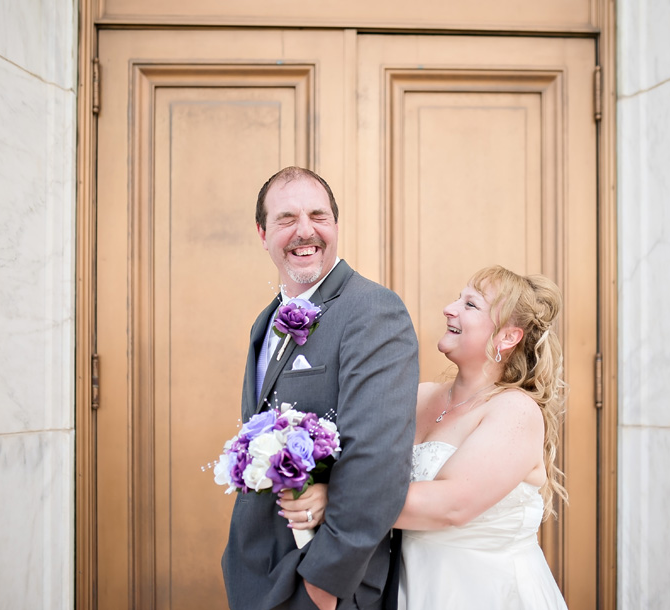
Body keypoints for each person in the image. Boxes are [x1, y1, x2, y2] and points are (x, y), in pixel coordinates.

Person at [282, 265, 568, 609]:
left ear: (508, 337)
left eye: (471, 305)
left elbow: (452, 504)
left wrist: (338, 503)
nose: (450, 308)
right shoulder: (417, 397)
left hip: (481, 591)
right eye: (458, 299)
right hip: (399, 588)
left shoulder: (515, 411)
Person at [222, 166, 419, 610]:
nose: (305, 231)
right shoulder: (266, 320)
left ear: (335, 224)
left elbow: (378, 459)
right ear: (262, 232)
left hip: (321, 581)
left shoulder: (372, 311)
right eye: (287, 219)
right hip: (256, 572)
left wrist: (325, 584)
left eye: (318, 216)